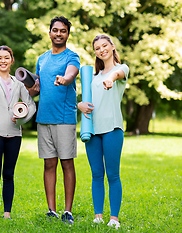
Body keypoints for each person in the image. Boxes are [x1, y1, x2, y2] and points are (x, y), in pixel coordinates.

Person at [28, 16, 80, 224]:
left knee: (67, 163)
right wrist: (31, 88)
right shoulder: (42, 59)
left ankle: (67, 211)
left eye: (63, 31)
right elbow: (37, 87)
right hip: (44, 118)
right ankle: (52, 210)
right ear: (49, 33)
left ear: (68, 34)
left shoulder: (72, 57)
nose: (59, 34)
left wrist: (64, 79)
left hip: (64, 118)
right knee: (49, 164)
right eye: (55, 30)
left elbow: (71, 74)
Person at [77, 34, 129, 229]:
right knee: (96, 174)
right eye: (97, 48)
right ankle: (98, 215)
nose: (101, 50)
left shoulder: (120, 70)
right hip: (92, 130)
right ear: (95, 52)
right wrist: (80, 105)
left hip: (112, 128)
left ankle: (114, 218)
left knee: (113, 175)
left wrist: (111, 79)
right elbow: (87, 100)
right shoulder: (93, 77)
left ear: (112, 47)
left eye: (104, 46)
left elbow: (117, 75)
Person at [0, 46, 36, 221]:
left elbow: (31, 106)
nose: (3, 61)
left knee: (9, 175)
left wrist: (20, 120)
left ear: (12, 60)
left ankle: (7, 213)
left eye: (6, 57)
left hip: (14, 134)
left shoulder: (19, 84)